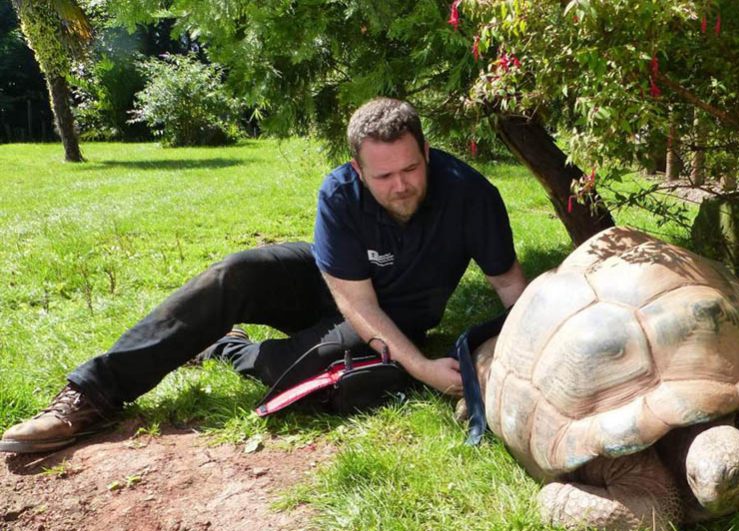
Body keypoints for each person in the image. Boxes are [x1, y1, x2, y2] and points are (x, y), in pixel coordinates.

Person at [0, 97, 527, 454]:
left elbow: (510, 288)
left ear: (427, 153)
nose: (401, 186)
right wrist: (421, 369)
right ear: (357, 167)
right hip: (344, 291)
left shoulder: (470, 195)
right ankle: (89, 395)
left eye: (411, 169)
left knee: (312, 371)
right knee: (238, 272)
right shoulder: (339, 193)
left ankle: (228, 348)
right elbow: (357, 303)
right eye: (383, 175)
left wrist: (532, 359)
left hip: (402, 314)